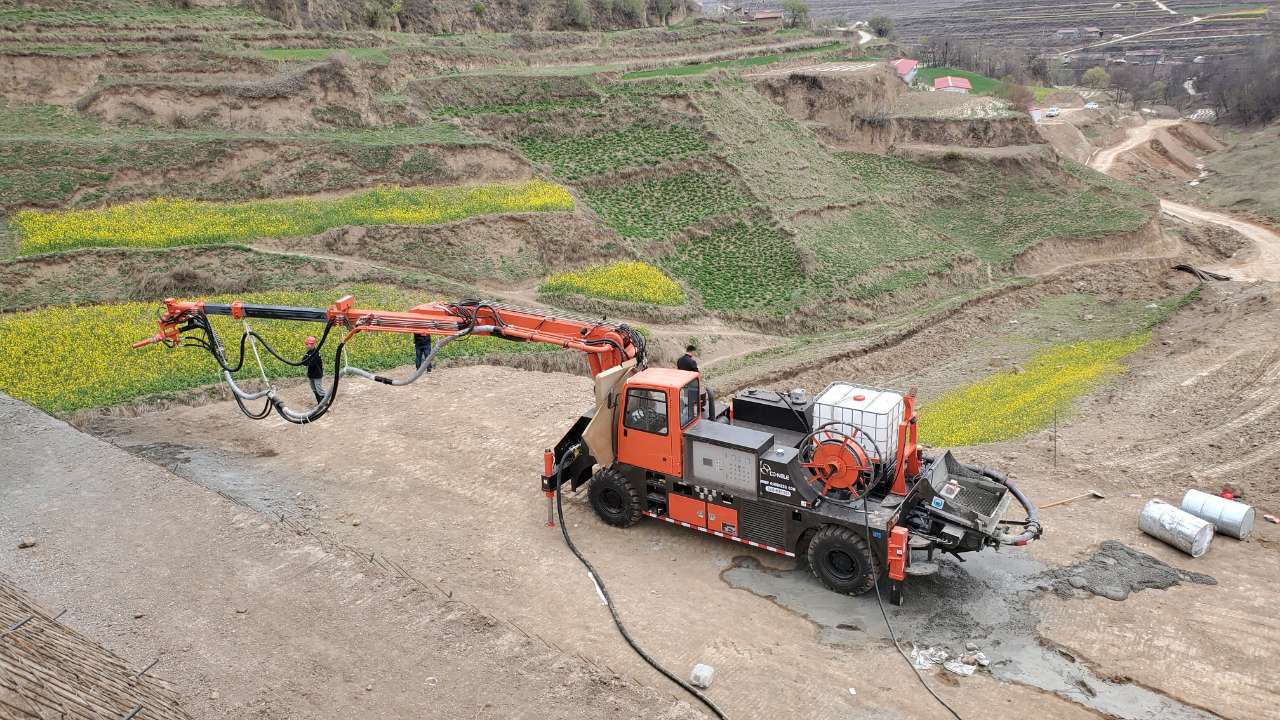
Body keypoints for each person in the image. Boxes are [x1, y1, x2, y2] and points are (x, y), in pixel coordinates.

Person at [302, 335, 325, 403]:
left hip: (317, 374)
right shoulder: (308, 353)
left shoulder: (316, 353)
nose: (306, 346)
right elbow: (303, 361)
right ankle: (319, 403)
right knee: (314, 389)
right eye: (306, 344)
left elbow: (311, 364)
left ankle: (325, 404)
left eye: (307, 344)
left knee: (319, 389)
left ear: (312, 345)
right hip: (311, 374)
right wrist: (306, 362)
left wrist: (306, 362)